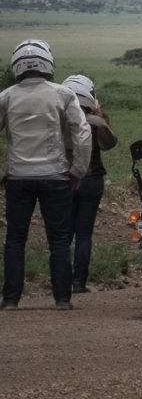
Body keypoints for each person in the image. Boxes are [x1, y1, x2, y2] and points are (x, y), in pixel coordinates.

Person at [0, 39, 91, 310]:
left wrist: (2, 172)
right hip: (56, 176)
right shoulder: (63, 94)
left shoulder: (6, 96)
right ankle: (62, 299)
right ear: (47, 63)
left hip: (18, 177)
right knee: (59, 239)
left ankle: (11, 300)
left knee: (15, 239)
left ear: (17, 65)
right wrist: (78, 170)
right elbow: (82, 133)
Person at [59, 75, 116, 294]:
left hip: (64, 179)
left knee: (64, 233)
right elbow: (111, 143)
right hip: (92, 180)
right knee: (84, 233)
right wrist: (98, 112)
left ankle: (61, 280)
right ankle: (79, 282)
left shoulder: (58, 120)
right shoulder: (96, 122)